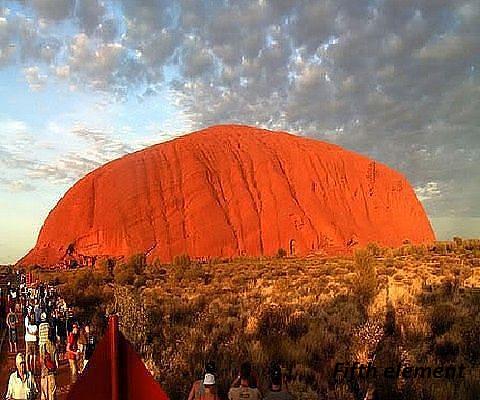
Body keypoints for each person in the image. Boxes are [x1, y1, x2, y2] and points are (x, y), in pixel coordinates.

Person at [39, 332, 58, 400]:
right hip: (52, 373)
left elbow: (41, 361)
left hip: (44, 374)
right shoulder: (54, 347)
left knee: (44, 395)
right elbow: (57, 363)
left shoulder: (43, 347)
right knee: (52, 395)